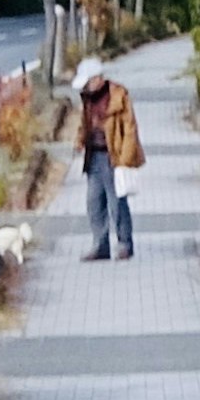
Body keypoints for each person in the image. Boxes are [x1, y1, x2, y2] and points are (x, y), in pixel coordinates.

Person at [75, 62, 144, 261]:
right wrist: (79, 141)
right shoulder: (87, 98)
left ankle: (125, 244)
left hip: (113, 155)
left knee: (117, 202)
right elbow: (84, 123)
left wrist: (125, 159)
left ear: (97, 79)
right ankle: (100, 245)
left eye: (87, 82)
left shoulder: (118, 95)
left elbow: (130, 129)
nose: (85, 87)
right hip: (93, 156)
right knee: (94, 202)